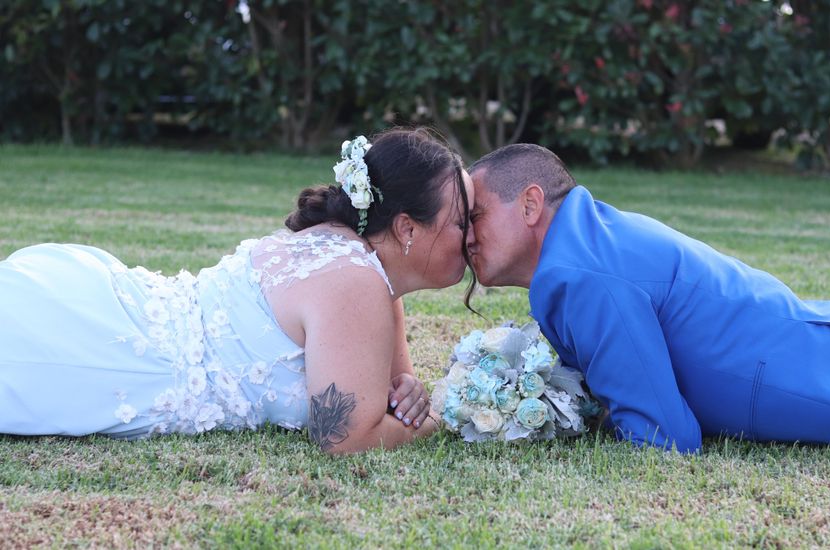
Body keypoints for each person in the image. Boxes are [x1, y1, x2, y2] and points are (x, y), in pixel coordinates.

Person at [0, 128, 476, 455]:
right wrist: (435, 419)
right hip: (106, 353)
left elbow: (393, 394)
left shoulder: (348, 255)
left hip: (106, 304)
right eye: (462, 221)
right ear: (407, 228)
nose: (472, 236)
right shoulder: (356, 282)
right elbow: (346, 439)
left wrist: (409, 396)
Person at [466, 143, 830, 463]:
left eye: (476, 216)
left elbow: (664, 437)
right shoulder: (590, 242)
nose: (465, 236)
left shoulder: (580, 270)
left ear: (530, 205)